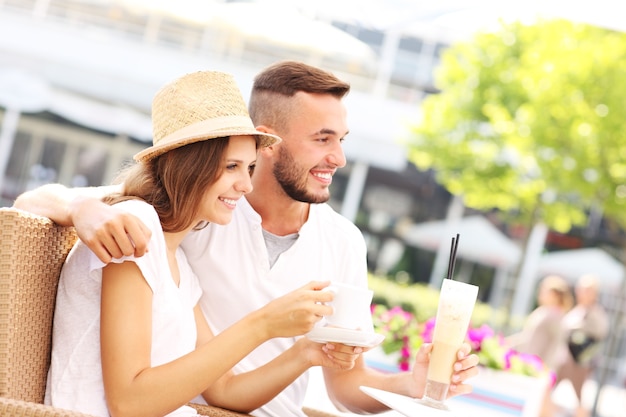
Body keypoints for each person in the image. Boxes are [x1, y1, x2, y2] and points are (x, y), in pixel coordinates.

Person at [15, 61, 479, 417]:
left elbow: (247, 387)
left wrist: (398, 380)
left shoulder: (192, 248)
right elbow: (36, 202)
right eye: (322, 138)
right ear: (269, 143)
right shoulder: (155, 226)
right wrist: (82, 209)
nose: (337, 157)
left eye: (341, 139)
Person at [43, 70, 361, 417]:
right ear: (191, 166)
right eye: (232, 167)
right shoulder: (135, 231)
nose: (246, 185)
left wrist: (305, 353)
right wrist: (265, 323)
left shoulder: (177, 263)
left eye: (250, 167)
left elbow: (224, 390)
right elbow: (129, 403)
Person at [506, 274, 573, 417]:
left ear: (555, 295)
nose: (540, 292)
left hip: (541, 368)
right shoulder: (545, 312)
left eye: (544, 290)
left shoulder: (555, 315)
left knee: (542, 409)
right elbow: (528, 337)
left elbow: (557, 344)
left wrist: (547, 369)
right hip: (533, 365)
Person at [555, 274, 609, 417]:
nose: (581, 292)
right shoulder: (578, 309)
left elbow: (600, 334)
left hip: (578, 362)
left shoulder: (595, 312)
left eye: (586, 290)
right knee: (552, 389)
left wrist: (579, 330)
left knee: (578, 398)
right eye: (580, 289)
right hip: (565, 359)